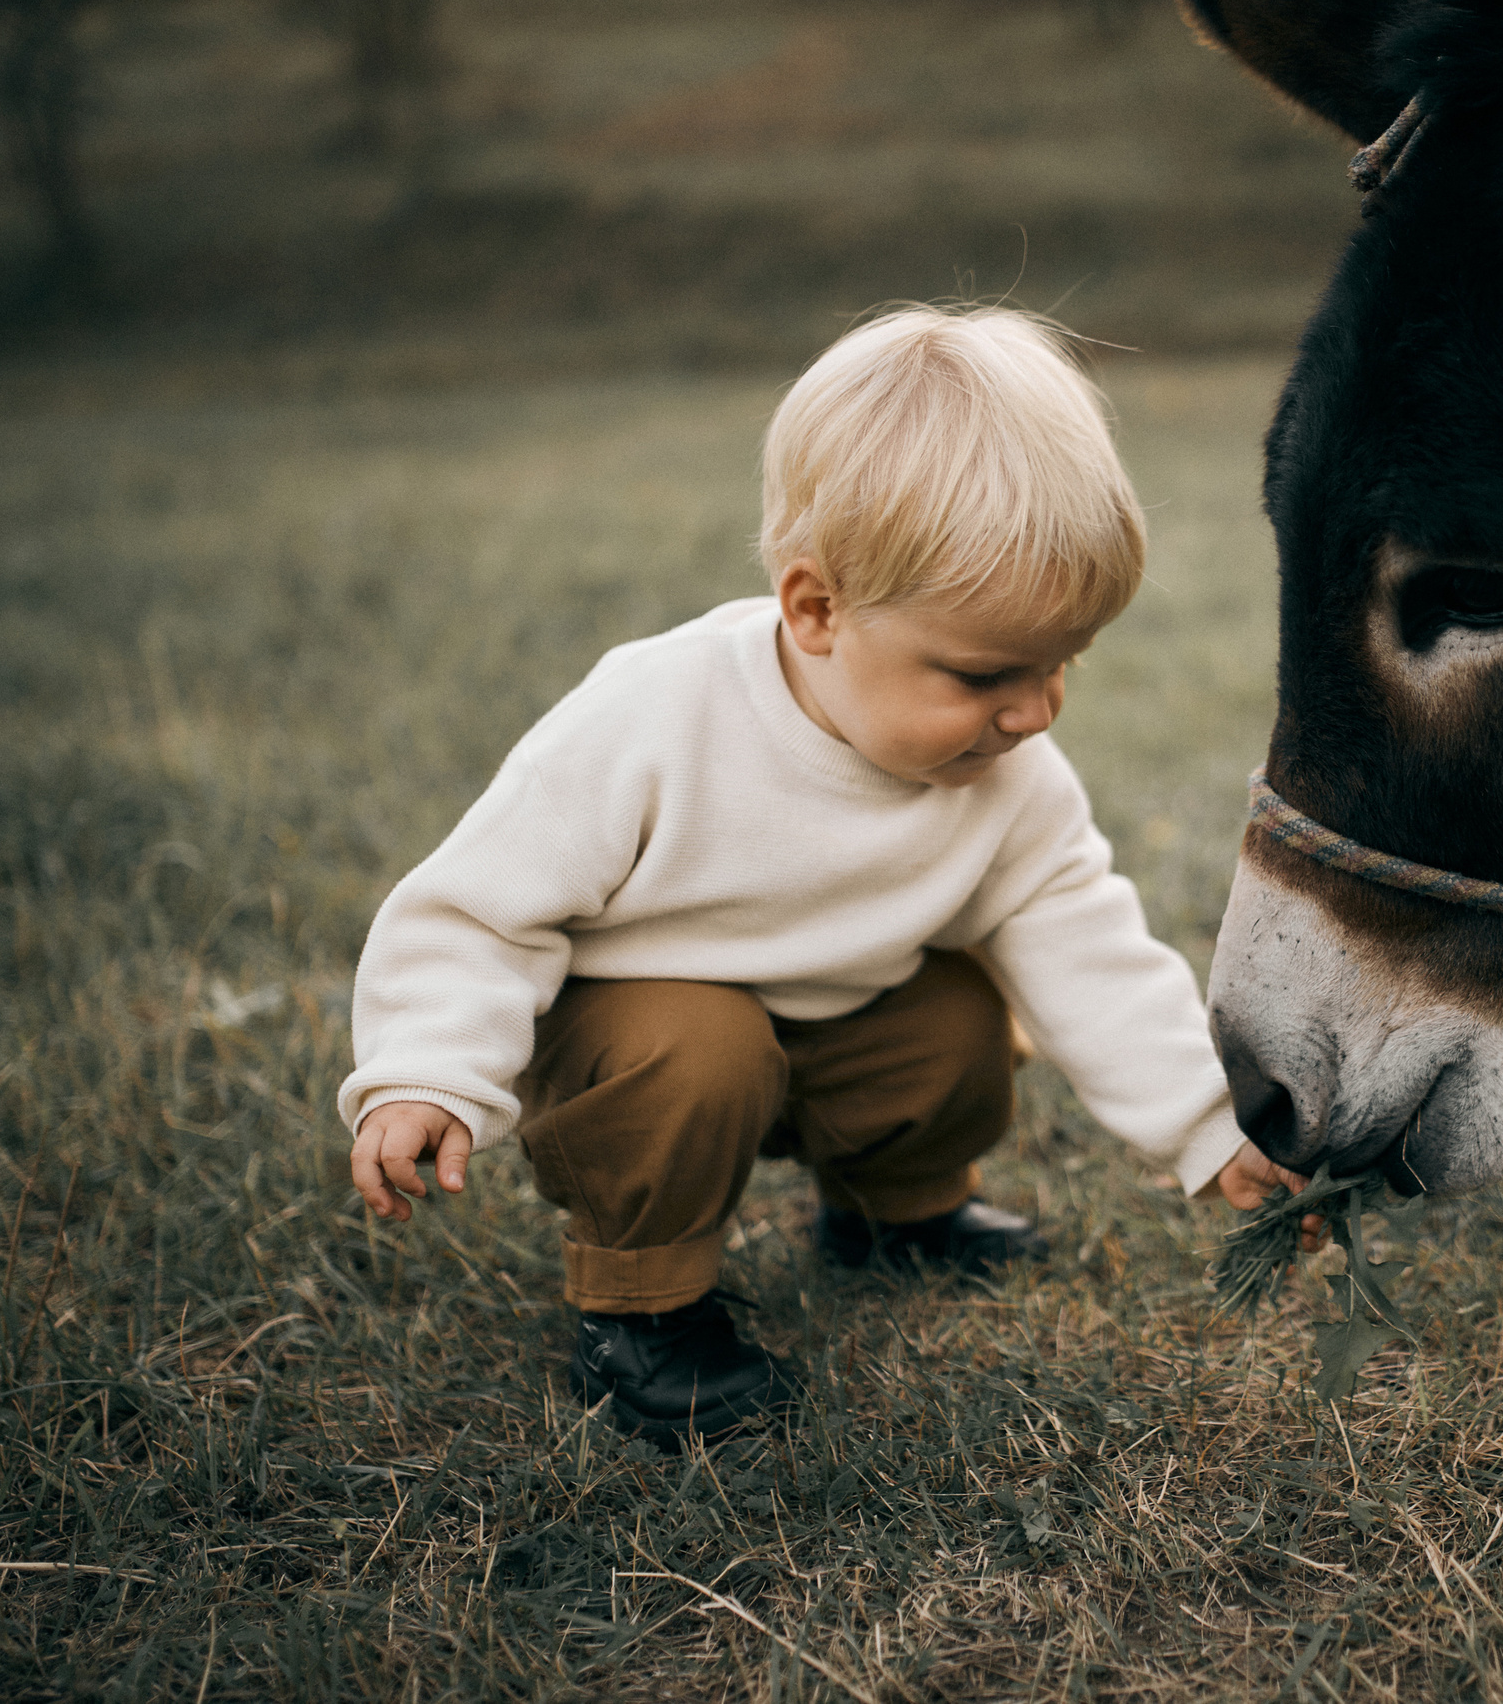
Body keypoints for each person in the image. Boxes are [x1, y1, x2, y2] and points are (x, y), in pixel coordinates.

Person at [339, 305, 1315, 1446]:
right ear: (815, 610)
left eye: (1063, 665)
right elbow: (483, 906)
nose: (1034, 710)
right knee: (694, 1051)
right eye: (985, 673)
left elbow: (1086, 949)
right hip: (641, 1050)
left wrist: (1210, 1124)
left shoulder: (1011, 776)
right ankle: (643, 1310)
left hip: (838, 1026)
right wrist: (424, 1070)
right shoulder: (655, 718)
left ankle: (894, 1216)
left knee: (956, 1018)